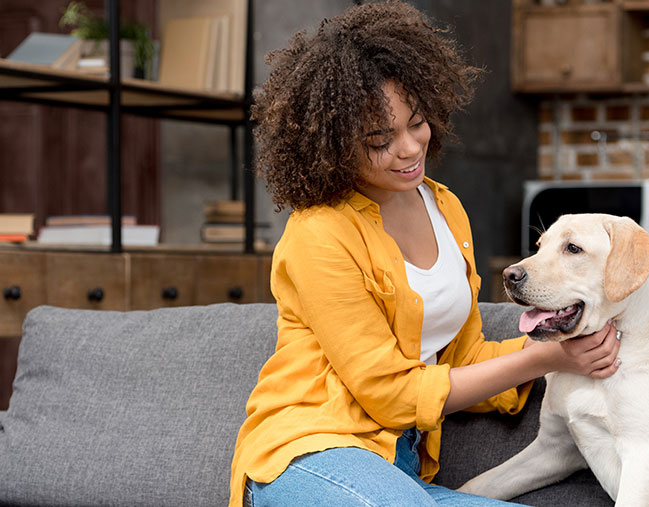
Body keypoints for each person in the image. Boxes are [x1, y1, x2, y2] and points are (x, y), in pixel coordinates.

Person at [229, 2, 621, 505]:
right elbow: (392, 394)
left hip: (399, 469)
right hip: (311, 455)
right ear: (332, 142)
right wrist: (546, 358)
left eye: (416, 123)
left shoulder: (444, 207)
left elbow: (463, 357)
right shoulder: (319, 234)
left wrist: (565, 346)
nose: (410, 148)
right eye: (379, 139)